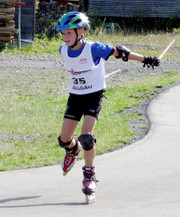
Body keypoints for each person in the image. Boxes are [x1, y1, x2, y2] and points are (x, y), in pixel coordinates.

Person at [56, 11, 160, 199]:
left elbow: (121, 52)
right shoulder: (63, 50)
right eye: (62, 34)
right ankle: (73, 150)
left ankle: (89, 174)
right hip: (75, 97)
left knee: (86, 137)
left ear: (81, 31)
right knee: (64, 140)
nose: (65, 38)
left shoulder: (94, 48)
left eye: (69, 33)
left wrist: (147, 59)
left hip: (93, 96)